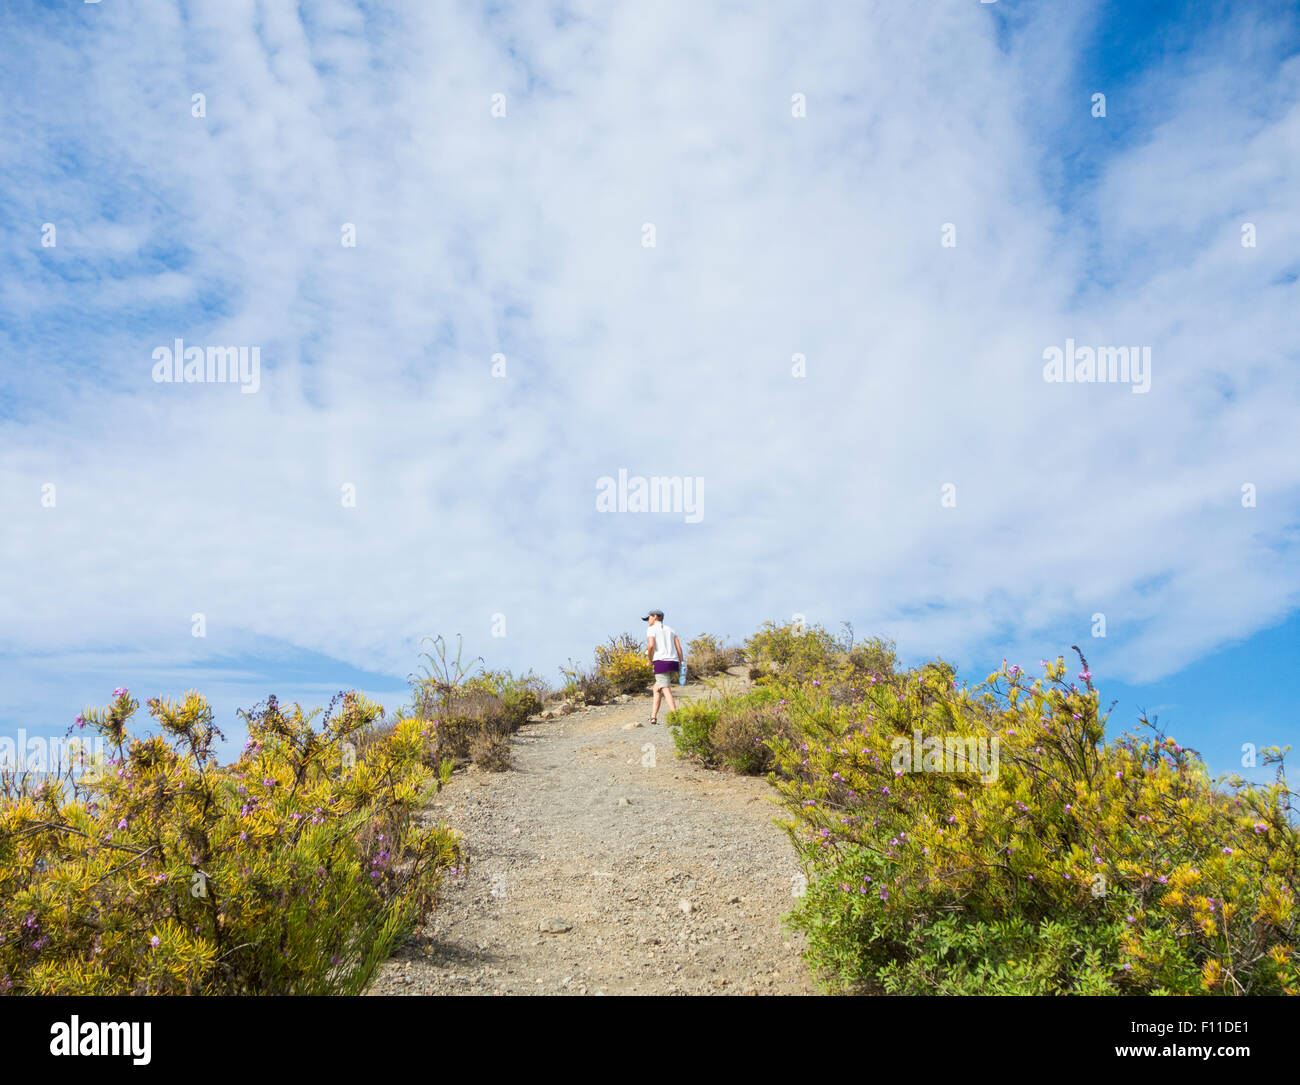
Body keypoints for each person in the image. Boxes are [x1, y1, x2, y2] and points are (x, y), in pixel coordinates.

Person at [643, 609, 683, 726]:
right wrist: (682, 663)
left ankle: (675, 716)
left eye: (648, 618)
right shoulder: (671, 629)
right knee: (657, 688)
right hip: (673, 662)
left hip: (661, 662)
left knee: (665, 688)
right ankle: (653, 717)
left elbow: (651, 646)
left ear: (655, 617)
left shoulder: (651, 629)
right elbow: (679, 648)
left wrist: (650, 660)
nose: (648, 621)